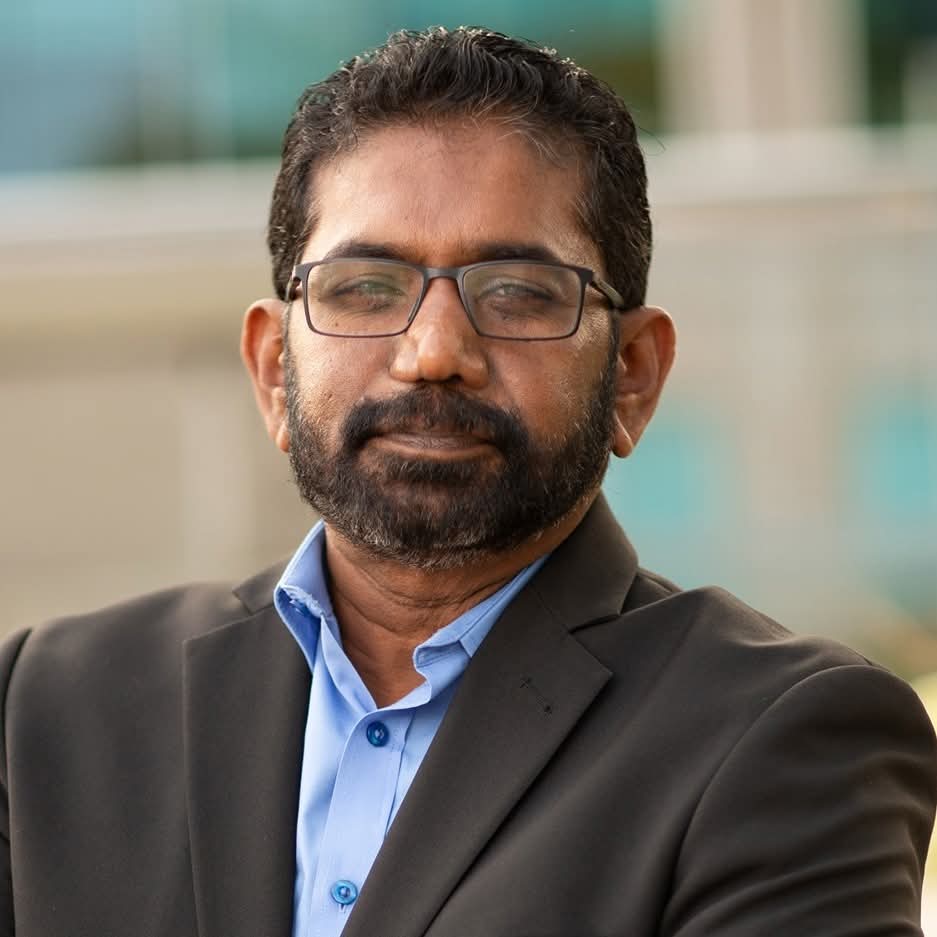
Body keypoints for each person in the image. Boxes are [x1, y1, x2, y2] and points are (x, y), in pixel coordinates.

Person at [0, 26, 934, 937]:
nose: (433, 352)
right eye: (365, 286)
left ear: (633, 377)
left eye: (517, 292)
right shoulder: (43, 707)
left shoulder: (783, 737)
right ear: (273, 371)